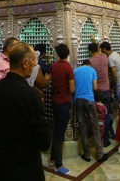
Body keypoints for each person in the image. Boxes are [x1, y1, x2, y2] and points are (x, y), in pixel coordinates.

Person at [0, 43, 52, 181]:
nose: (35, 64)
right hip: (24, 170)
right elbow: (44, 142)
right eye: (33, 60)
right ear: (25, 62)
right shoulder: (31, 95)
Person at [74, 59, 109, 163]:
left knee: (83, 127)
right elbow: (95, 87)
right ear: (89, 64)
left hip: (78, 100)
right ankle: (99, 154)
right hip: (89, 100)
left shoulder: (75, 71)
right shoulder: (92, 70)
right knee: (95, 127)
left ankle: (87, 155)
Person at [48, 43, 74, 175]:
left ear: (58, 54)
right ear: (68, 53)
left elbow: (49, 79)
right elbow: (72, 89)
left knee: (56, 130)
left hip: (54, 102)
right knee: (59, 134)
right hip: (64, 103)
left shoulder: (54, 66)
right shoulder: (68, 68)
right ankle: (58, 165)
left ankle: (52, 158)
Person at [89, 41, 115, 145]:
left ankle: (98, 140)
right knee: (106, 115)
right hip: (106, 90)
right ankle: (106, 139)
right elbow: (100, 51)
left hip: (96, 92)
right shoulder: (104, 57)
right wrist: (94, 40)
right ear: (98, 49)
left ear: (90, 52)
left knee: (97, 116)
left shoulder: (90, 62)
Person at [100, 41, 120, 106]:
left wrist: (111, 86)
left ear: (104, 48)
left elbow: (114, 75)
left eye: (102, 50)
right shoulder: (116, 53)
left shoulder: (110, 58)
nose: (101, 52)